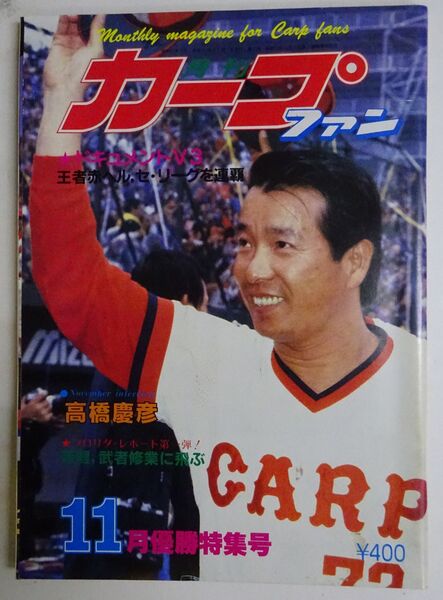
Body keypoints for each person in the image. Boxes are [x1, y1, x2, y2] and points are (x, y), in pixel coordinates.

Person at [29, 16, 426, 587]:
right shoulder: (207, 360)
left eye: (282, 244)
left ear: (355, 261)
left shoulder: (424, 385)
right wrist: (64, 101)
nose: (252, 269)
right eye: (244, 242)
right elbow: (70, 277)